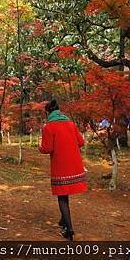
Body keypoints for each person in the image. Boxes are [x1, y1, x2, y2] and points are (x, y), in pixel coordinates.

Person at [39, 100, 87, 241]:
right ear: (59, 111)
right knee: (66, 193)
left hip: (60, 165)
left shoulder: (49, 127)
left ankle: (69, 229)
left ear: (48, 112)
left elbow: (47, 148)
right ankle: (62, 220)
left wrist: (39, 147)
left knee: (62, 196)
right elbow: (81, 142)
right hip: (74, 164)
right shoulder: (71, 124)